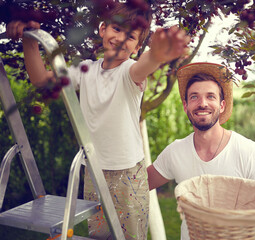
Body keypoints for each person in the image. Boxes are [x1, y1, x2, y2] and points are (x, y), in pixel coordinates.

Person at [6, 2, 190, 240]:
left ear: (136, 48)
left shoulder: (130, 71)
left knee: (130, 236)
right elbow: (41, 79)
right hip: (93, 171)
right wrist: (29, 42)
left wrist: (156, 55)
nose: (121, 39)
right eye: (116, 29)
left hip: (128, 176)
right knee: (99, 235)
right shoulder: (85, 71)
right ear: (103, 29)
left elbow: (146, 64)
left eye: (131, 36)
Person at [147, 62, 255, 240]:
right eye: (194, 97)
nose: (202, 103)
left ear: (222, 105)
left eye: (210, 96)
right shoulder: (175, 151)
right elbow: (138, 185)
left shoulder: (250, 152)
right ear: (185, 106)